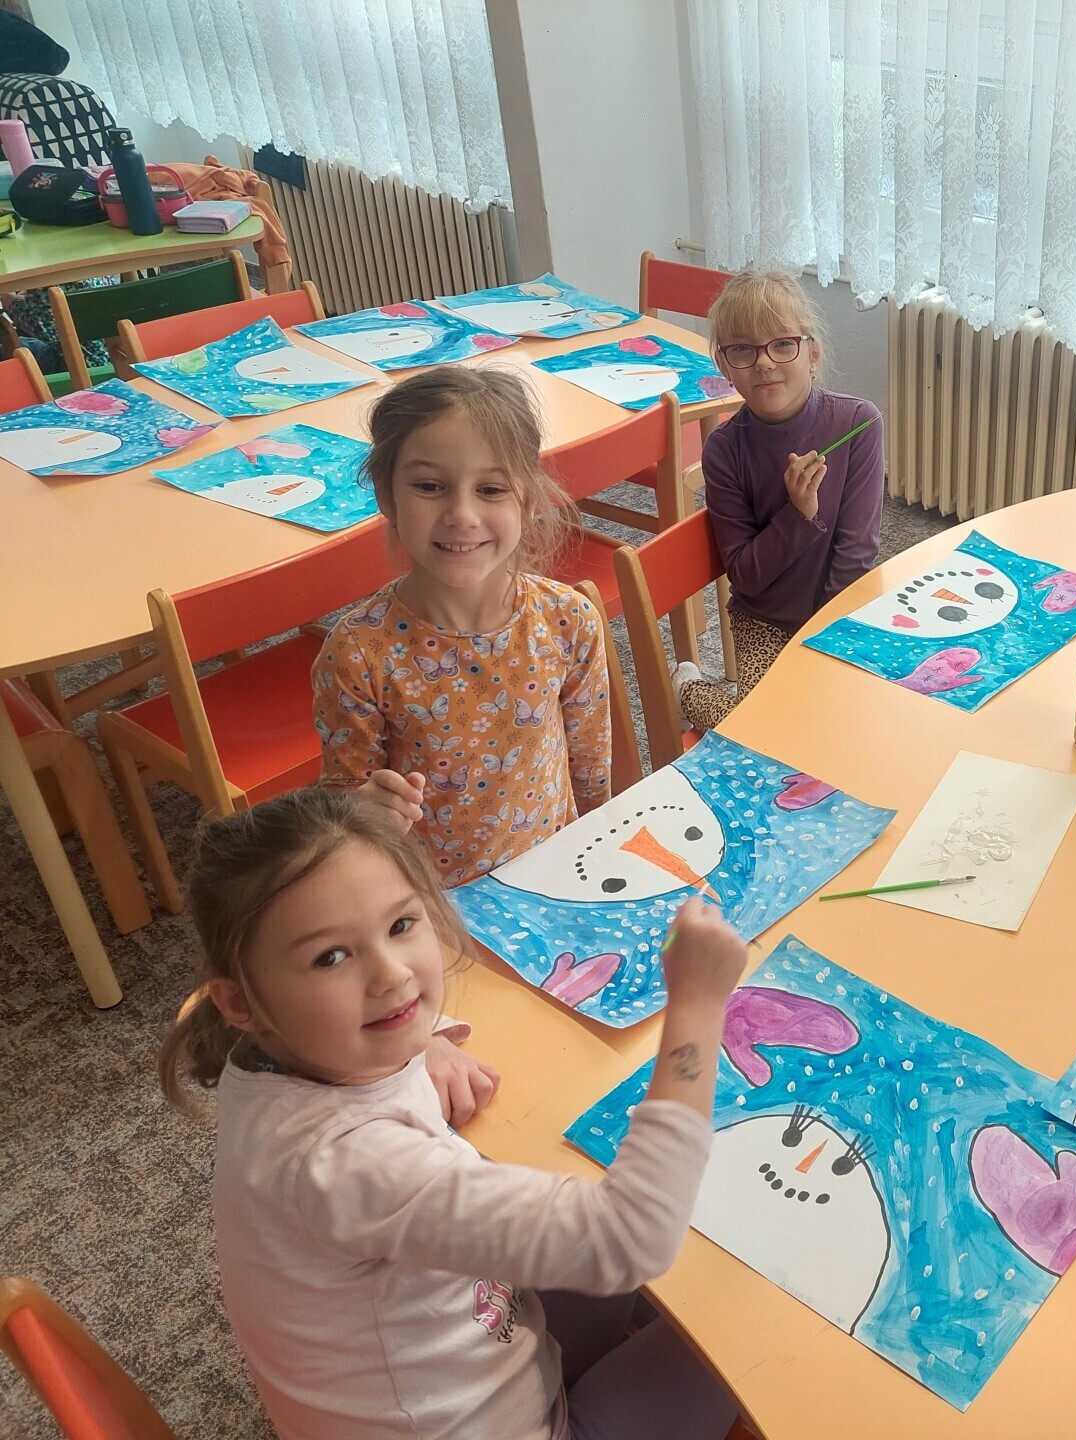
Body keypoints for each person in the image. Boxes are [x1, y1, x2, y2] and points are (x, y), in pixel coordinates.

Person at [159, 788, 744, 1440]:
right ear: (240, 1003)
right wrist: (698, 1005)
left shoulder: (278, 1051)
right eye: (331, 956)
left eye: (400, 925)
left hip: (474, 1340)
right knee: (746, 1329)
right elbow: (630, 1238)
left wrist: (422, 1036)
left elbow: (343, 982)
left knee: (678, 1258)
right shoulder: (351, 1165)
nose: (392, 976)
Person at [312, 365, 612, 887]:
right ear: (386, 495)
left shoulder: (569, 620)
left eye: (491, 489)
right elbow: (347, 804)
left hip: (554, 873)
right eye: (430, 486)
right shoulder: (357, 653)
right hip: (429, 896)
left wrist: (597, 856)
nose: (463, 514)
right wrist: (363, 811)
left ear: (528, 499)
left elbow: (591, 766)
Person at [673, 267, 883, 729]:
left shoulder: (858, 423)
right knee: (765, 733)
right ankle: (690, 690)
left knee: (864, 724)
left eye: (782, 345)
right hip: (762, 622)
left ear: (812, 354)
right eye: (743, 350)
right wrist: (798, 516)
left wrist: (825, 642)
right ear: (724, 366)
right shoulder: (723, 450)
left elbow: (856, 553)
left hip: (839, 615)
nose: (764, 363)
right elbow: (746, 577)